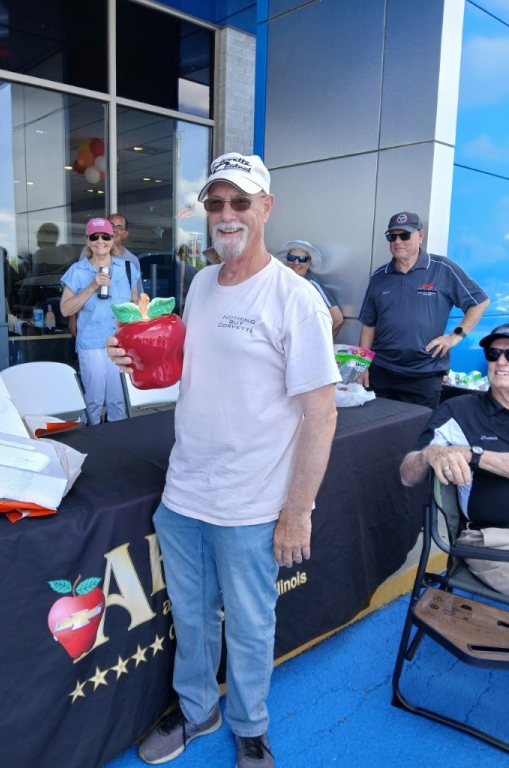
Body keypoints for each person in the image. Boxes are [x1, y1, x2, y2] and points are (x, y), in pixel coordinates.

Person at [107, 152, 340, 767]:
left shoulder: (296, 298)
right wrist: (135, 355)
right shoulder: (203, 284)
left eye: (241, 201)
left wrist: (298, 512)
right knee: (190, 617)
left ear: (266, 207)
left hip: (252, 503)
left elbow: (322, 414)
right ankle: (197, 711)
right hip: (185, 492)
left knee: (250, 624)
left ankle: (250, 726)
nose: (227, 214)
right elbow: (188, 370)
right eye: (216, 203)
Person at [400, 323, 509, 594]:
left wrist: (472, 455)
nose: (500, 362)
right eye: (493, 354)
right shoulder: (460, 411)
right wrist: (429, 453)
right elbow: (407, 475)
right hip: (492, 540)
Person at [358, 211, 489, 409]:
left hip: (424, 375)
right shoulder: (379, 276)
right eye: (392, 236)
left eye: (404, 235)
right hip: (382, 372)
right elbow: (369, 325)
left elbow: (479, 302)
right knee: (378, 425)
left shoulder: (443, 268)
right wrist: (362, 365)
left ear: (420, 235)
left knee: (419, 427)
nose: (398, 241)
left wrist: (455, 336)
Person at [60, 217, 140, 424]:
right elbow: (65, 309)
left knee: (118, 402)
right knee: (94, 402)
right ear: (88, 240)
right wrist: (92, 286)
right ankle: (91, 440)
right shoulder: (78, 271)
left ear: (112, 239)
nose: (100, 241)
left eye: (105, 236)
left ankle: (117, 441)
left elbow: (135, 303)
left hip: (120, 344)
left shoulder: (128, 269)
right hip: (92, 344)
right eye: (94, 236)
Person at [276, 239, 343, 335]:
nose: (296, 262)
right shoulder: (280, 282)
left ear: (309, 262)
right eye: (291, 258)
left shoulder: (312, 285)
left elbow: (337, 319)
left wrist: (318, 342)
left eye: (302, 259)